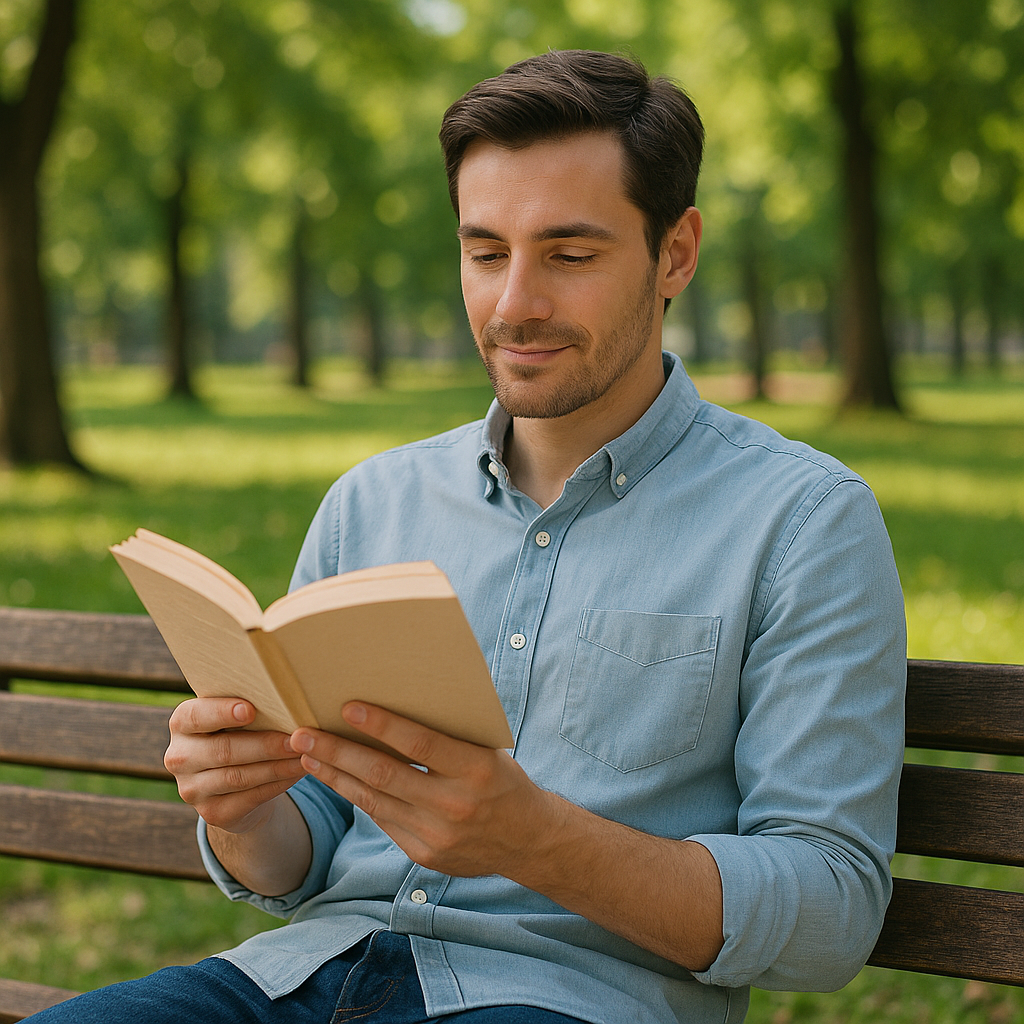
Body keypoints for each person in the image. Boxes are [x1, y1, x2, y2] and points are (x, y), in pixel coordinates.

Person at [27, 49, 905, 1024]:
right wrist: (241, 809)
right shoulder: (373, 501)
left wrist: (533, 838)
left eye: (568, 255)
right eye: (485, 252)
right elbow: (307, 841)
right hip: (300, 976)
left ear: (676, 252)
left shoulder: (798, 522)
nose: (512, 304)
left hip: (565, 1000)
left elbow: (829, 908)